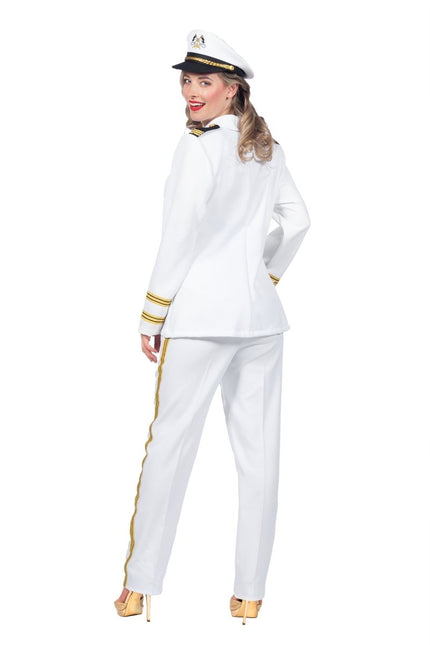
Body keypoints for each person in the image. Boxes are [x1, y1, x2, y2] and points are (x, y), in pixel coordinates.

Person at [114, 28, 311, 625]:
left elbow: (178, 237)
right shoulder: (267, 148)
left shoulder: (198, 147)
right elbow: (298, 222)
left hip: (199, 319)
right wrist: (263, 277)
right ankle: (249, 595)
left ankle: (139, 589)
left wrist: (152, 312)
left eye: (204, 82)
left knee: (169, 447)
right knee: (260, 456)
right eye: (186, 80)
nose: (191, 92)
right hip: (260, 321)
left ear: (232, 90)